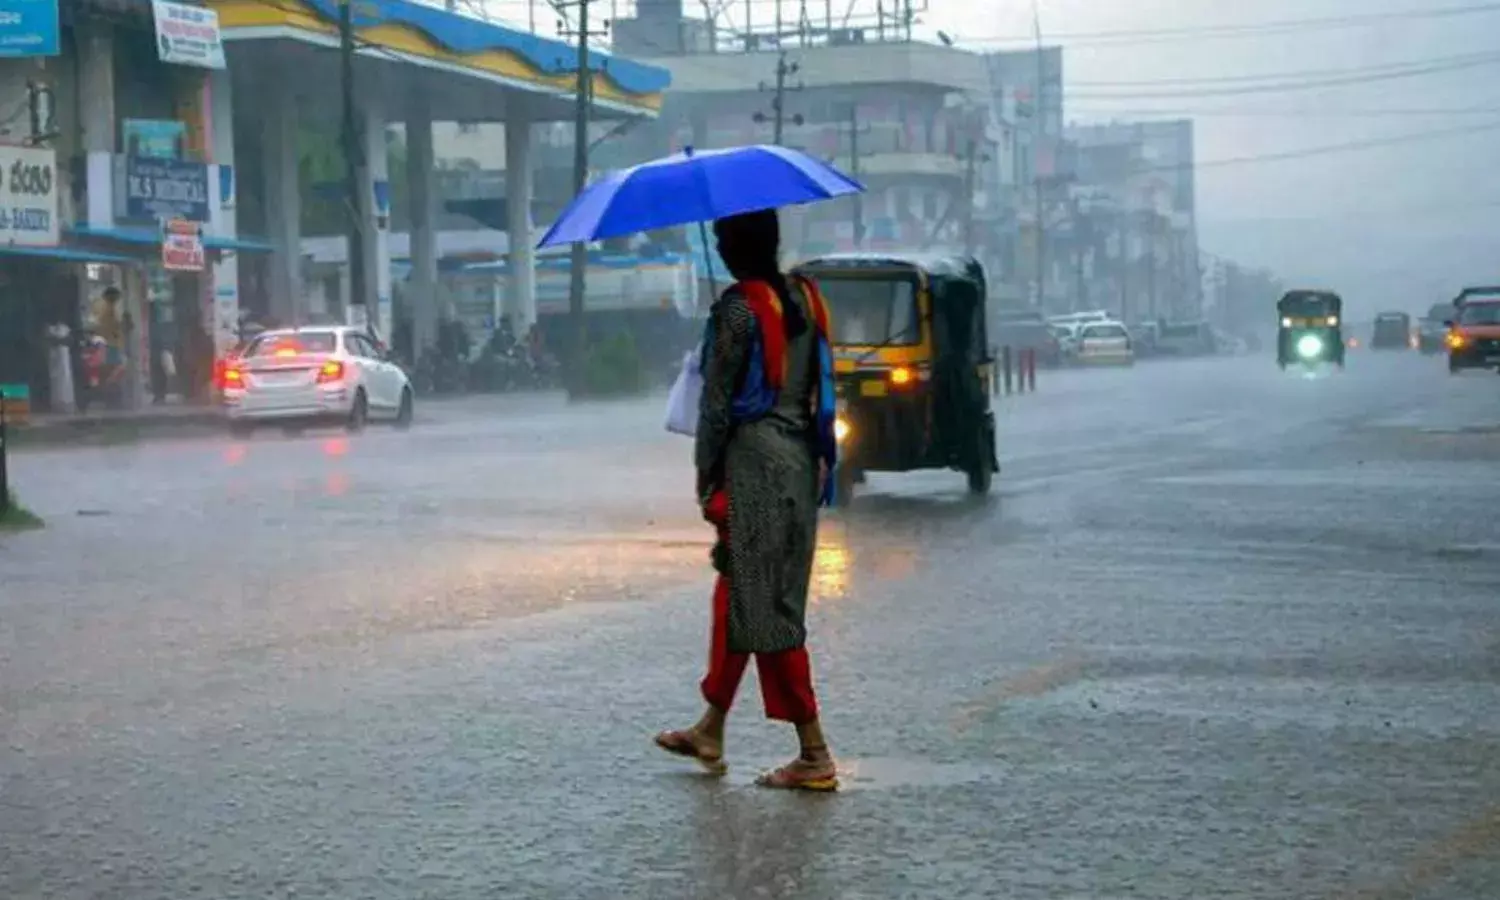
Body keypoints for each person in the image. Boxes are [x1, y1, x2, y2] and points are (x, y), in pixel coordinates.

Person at [654, 208, 841, 791]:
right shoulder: (806, 298)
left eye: (721, 235)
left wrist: (706, 475)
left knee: (766, 610)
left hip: (754, 465)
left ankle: (814, 753)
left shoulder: (737, 309)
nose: (718, 242)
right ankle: (711, 725)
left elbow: (715, 404)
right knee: (740, 593)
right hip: (799, 462)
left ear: (738, 244)